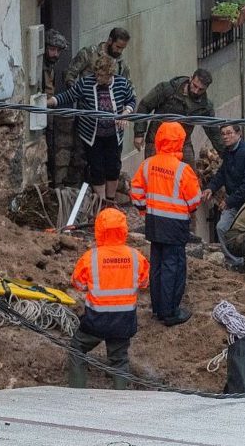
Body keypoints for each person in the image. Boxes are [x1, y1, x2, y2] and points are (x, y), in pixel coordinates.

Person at [68, 207, 150, 390]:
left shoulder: (91, 258)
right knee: (119, 359)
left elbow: (78, 284)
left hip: (96, 319)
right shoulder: (136, 257)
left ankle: (75, 395)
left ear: (98, 230)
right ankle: (120, 400)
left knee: (77, 349)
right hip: (124, 320)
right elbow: (144, 282)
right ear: (124, 230)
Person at [129, 121, 202, 327]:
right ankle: (170, 312)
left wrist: (144, 209)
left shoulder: (148, 164)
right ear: (180, 141)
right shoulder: (182, 169)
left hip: (153, 221)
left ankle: (158, 308)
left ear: (159, 139)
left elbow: (135, 191)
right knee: (174, 266)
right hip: (176, 224)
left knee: (158, 265)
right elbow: (195, 200)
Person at [48, 54, 136, 205]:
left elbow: (131, 100)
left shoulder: (122, 83)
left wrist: (125, 113)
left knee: (113, 168)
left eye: (102, 75)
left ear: (110, 75)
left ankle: (110, 200)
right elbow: (69, 95)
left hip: (114, 135)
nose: (98, 77)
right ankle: (101, 203)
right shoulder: (86, 83)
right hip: (93, 135)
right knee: (97, 169)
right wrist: (51, 101)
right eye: (97, 74)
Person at [133, 70, 225, 162]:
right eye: (195, 86)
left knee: (189, 173)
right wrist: (139, 133)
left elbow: (213, 132)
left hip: (183, 143)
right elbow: (145, 105)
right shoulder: (168, 89)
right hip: (158, 141)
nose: (196, 91)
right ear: (191, 78)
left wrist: (226, 154)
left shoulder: (205, 106)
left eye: (201, 89)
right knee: (156, 172)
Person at [201, 124, 245, 236]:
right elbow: (222, 173)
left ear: (239, 133)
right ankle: (229, 254)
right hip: (237, 202)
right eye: (223, 134)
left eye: (229, 133)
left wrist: (229, 201)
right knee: (222, 228)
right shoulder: (228, 151)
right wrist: (211, 188)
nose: (225, 137)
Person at [65, 27, 131, 86]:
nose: (119, 51)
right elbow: (69, 73)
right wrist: (75, 92)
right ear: (110, 40)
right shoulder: (89, 53)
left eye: (122, 48)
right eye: (118, 47)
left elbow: (128, 85)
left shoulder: (121, 63)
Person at [42, 29, 68, 96]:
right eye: (52, 49)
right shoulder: (40, 68)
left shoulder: (51, 65)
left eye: (58, 50)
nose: (56, 54)